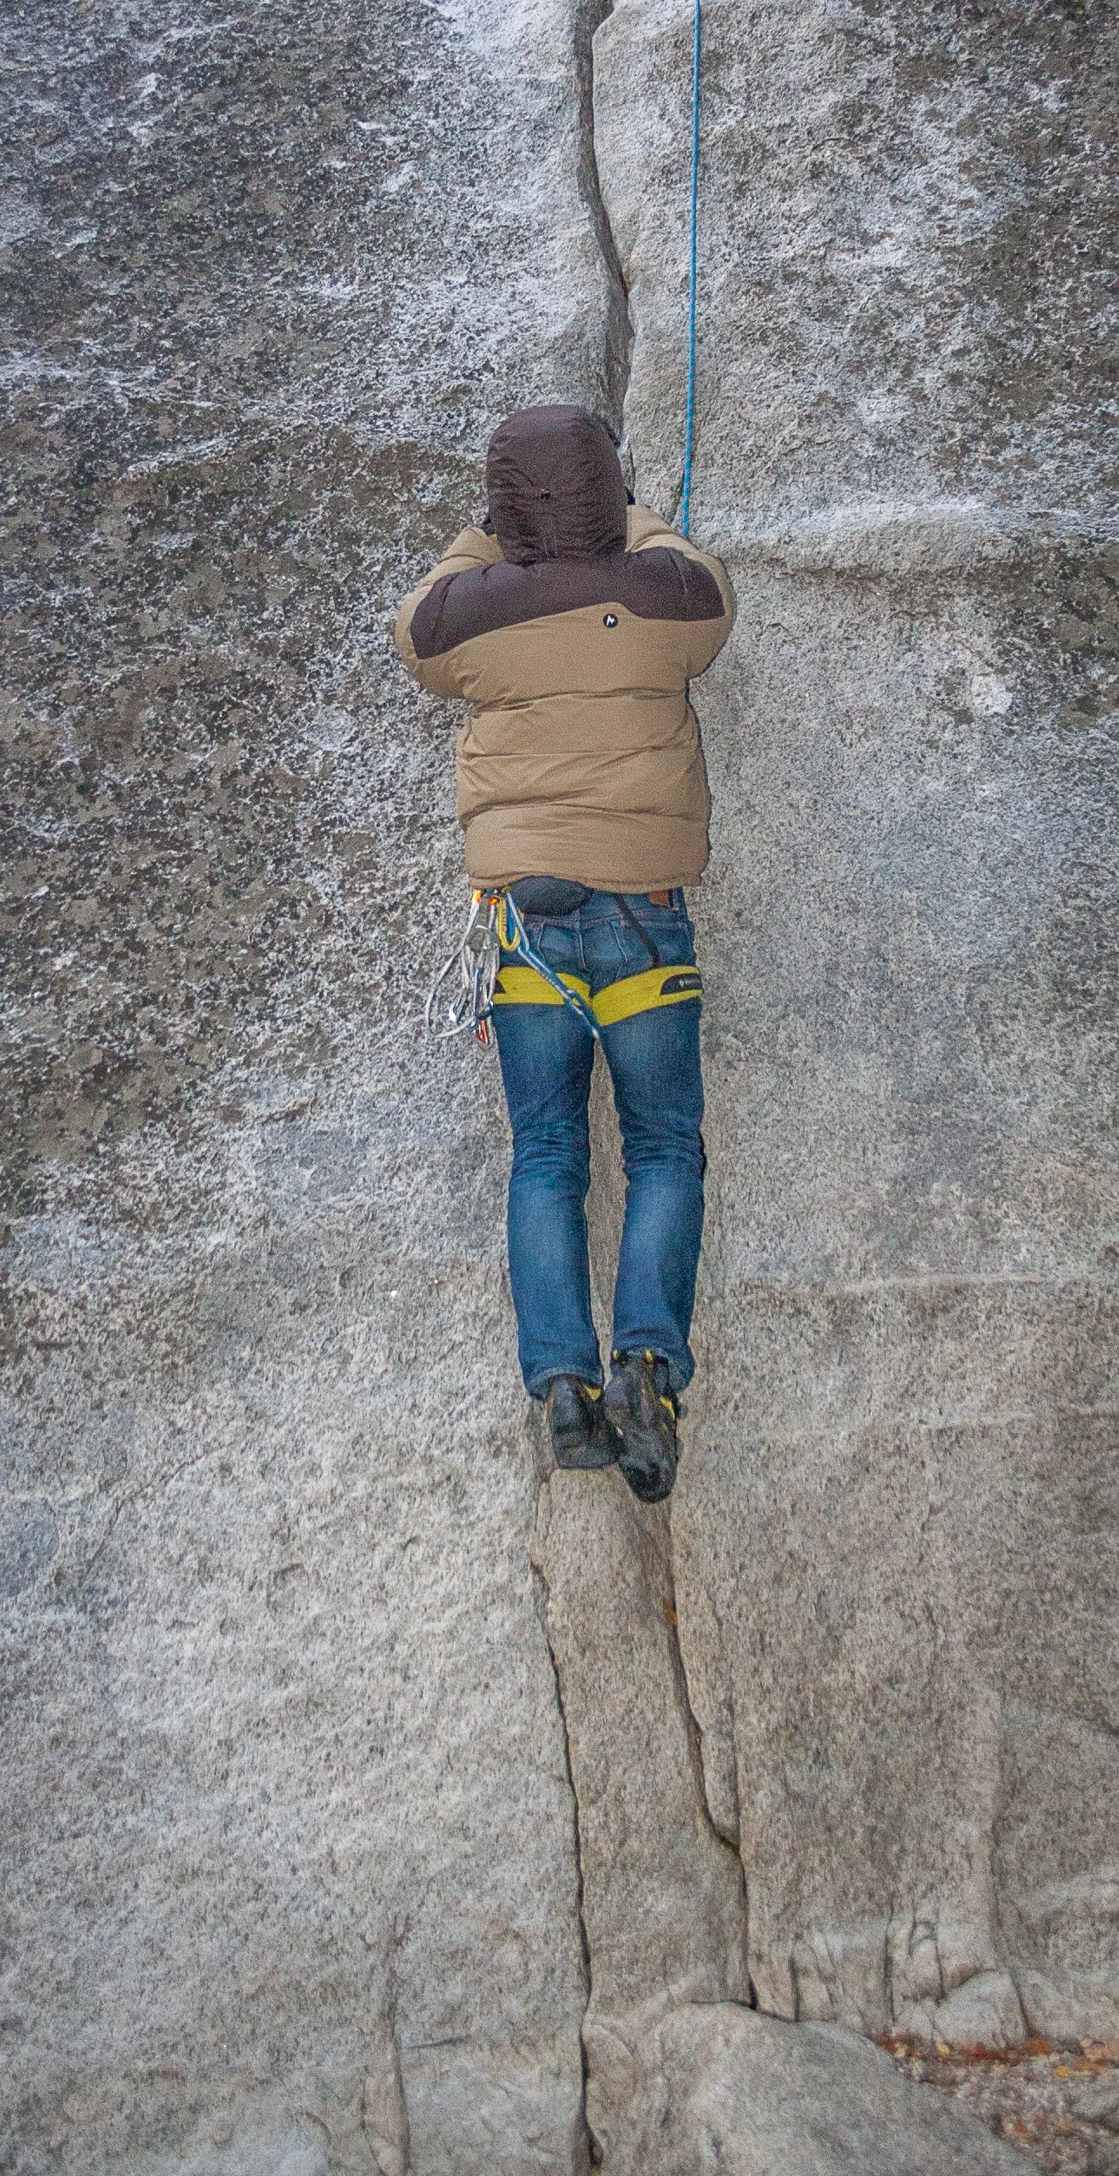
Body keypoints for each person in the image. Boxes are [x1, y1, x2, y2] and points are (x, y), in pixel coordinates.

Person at [393, 404, 735, 1503]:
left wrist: (487, 533)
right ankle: (645, 1363)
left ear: (501, 501)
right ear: (604, 487)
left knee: (545, 1154)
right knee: (661, 1148)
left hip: (521, 924)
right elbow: (698, 582)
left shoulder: (472, 617)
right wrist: (630, 515)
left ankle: (558, 1384)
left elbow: (417, 624)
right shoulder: (654, 600)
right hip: (641, 910)